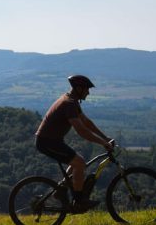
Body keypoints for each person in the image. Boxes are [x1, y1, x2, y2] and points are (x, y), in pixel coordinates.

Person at [35, 75, 116, 212]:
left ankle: (61, 191)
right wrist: (102, 142)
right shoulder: (69, 104)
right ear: (79, 89)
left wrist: (105, 137)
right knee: (79, 163)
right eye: (87, 89)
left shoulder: (72, 101)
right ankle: (79, 201)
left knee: (76, 163)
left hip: (54, 141)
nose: (88, 93)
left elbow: (85, 122)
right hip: (47, 142)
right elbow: (81, 131)